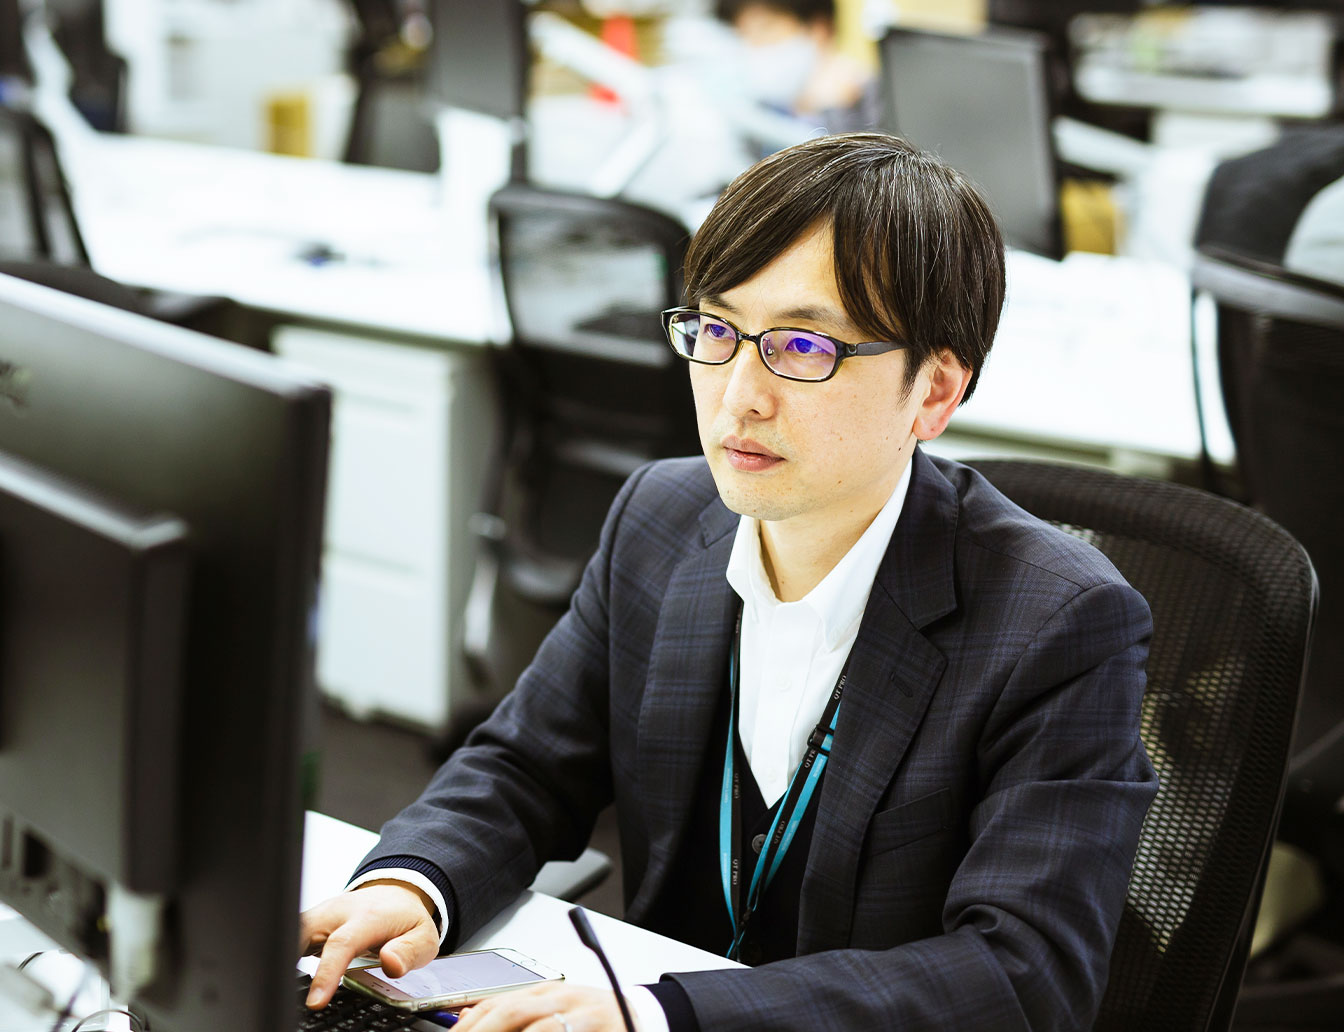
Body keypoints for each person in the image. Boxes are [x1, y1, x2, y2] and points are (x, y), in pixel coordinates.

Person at [299, 133, 1156, 1031]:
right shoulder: (661, 519)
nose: (738, 394)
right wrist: (414, 883)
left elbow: (1022, 974)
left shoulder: (1061, 623)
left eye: (802, 346)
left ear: (934, 391)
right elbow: (527, 764)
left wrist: (667, 1018)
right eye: (715, 331)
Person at [718, 0, 877, 131]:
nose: (752, 46)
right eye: (744, 34)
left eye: (765, 29)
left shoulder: (875, 99)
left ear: (819, 29)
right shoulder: (768, 111)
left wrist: (834, 111)